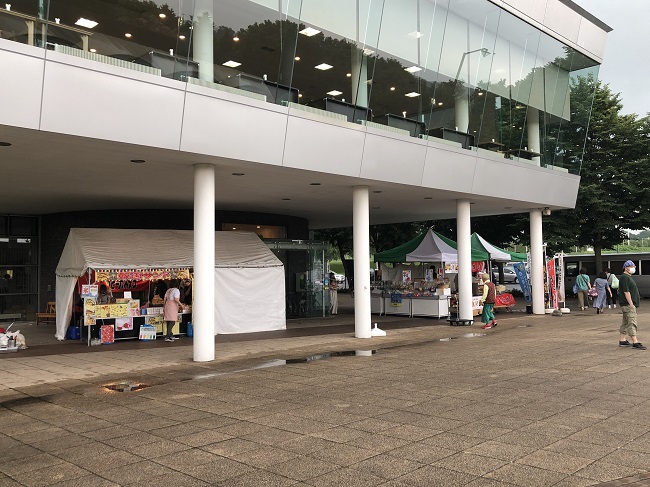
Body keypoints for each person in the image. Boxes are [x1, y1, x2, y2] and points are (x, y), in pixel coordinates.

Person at [618, 260, 646, 349]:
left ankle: (622, 340)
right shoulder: (625, 277)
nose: (634, 268)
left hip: (626, 305)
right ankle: (635, 341)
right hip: (628, 305)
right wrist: (631, 304)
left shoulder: (625, 277)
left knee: (625, 322)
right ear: (626, 268)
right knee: (632, 322)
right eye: (632, 266)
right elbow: (626, 292)